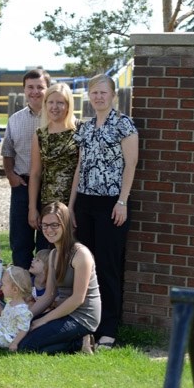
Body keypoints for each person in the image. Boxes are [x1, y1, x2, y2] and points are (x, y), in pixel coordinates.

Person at [70, 74, 138, 349]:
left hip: (111, 204)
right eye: (94, 93)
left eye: (103, 92)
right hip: (85, 202)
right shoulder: (85, 128)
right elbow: (80, 168)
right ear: (89, 96)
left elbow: (131, 165)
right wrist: (72, 205)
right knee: (86, 266)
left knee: (108, 266)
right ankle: (87, 323)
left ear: (113, 95)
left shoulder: (123, 124)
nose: (98, 97)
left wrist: (122, 201)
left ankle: (108, 328)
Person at [18, 202, 101, 354]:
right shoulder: (53, 255)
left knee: (27, 346)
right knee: (20, 334)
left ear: (66, 225)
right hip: (63, 312)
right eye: (44, 225)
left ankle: (80, 342)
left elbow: (78, 299)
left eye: (54, 225)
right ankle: (74, 341)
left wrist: (43, 320)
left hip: (82, 316)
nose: (49, 230)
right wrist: (26, 316)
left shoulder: (81, 254)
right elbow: (49, 295)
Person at [2, 68, 49, 269]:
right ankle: (21, 289)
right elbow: (7, 152)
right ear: (24, 90)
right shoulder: (15, 119)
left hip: (50, 186)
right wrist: (10, 175)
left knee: (47, 241)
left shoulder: (56, 117)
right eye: (30, 87)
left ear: (48, 88)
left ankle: (44, 290)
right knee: (20, 240)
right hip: (22, 183)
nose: (35, 91)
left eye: (40, 87)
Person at [28, 82, 79, 232]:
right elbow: (36, 173)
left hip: (74, 203)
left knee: (71, 250)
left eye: (60, 103)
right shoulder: (40, 134)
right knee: (47, 251)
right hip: (48, 204)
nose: (54, 107)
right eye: (50, 102)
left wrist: (71, 206)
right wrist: (32, 208)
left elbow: (80, 170)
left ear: (68, 106)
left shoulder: (80, 131)